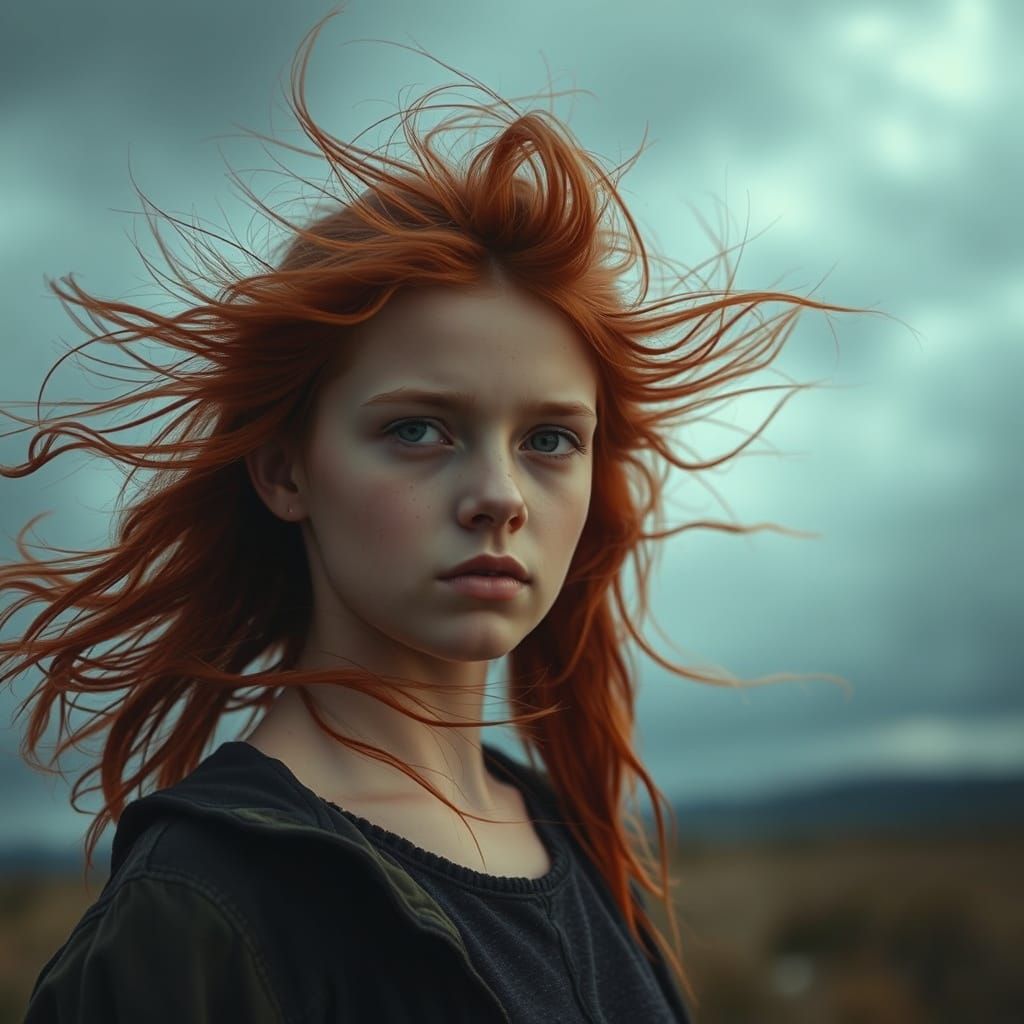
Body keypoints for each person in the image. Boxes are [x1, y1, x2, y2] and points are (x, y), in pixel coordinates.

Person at [3, 10, 875, 1023]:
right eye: (419, 429)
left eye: (551, 439)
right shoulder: (200, 913)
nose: (499, 495)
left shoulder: (577, 840)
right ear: (285, 471)